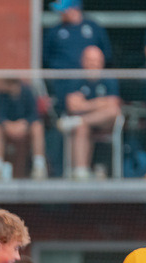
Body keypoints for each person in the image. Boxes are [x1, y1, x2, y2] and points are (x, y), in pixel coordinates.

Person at [57, 46, 121, 181]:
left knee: (113, 111)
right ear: (83, 61)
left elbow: (113, 104)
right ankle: (80, 171)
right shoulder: (76, 79)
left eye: (96, 60)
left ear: (102, 62)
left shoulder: (109, 79)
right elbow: (72, 105)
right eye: (90, 60)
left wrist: (85, 105)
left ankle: (80, 121)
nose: (93, 64)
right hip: (83, 124)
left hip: (105, 123)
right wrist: (100, 104)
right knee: (81, 126)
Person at [43, 0, 112, 107]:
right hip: (63, 82)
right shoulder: (54, 31)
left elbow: (107, 54)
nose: (60, 13)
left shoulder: (93, 27)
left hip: (90, 82)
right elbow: (45, 58)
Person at [0, 79, 47, 181]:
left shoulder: (28, 92)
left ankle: (39, 166)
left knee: (37, 127)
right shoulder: (1, 95)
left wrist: (24, 124)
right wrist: (8, 125)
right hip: (8, 128)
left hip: (25, 127)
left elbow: (34, 115)